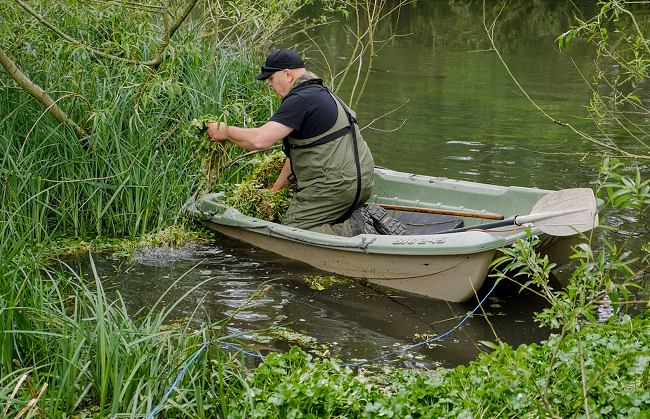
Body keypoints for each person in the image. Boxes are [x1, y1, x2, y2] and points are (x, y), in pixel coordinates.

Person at [207, 49, 407, 236]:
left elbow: (260, 141)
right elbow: (296, 158)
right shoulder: (323, 93)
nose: (268, 84)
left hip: (336, 187)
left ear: (287, 75)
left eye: (270, 78)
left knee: (292, 231)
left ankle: (356, 227)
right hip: (362, 183)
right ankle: (352, 218)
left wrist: (225, 131)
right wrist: (274, 192)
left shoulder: (300, 99)